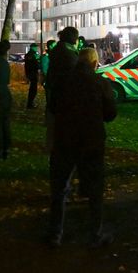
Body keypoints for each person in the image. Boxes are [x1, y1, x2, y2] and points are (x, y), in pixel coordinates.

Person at [47, 48, 117, 248]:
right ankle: (95, 234)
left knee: (59, 188)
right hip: (91, 141)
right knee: (95, 190)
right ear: (95, 64)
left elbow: (52, 107)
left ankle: (55, 233)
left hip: (64, 141)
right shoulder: (100, 83)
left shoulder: (62, 83)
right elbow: (110, 113)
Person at [44, 27, 80, 153]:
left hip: (57, 92)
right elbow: (73, 73)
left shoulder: (59, 49)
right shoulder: (68, 53)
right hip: (64, 94)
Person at [24, 44, 40, 109]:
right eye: (36, 47)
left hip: (30, 73)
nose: (37, 48)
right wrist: (37, 60)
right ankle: (30, 104)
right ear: (32, 47)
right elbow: (34, 64)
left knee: (33, 88)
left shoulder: (28, 54)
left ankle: (30, 103)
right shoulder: (32, 55)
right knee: (33, 89)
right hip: (33, 73)